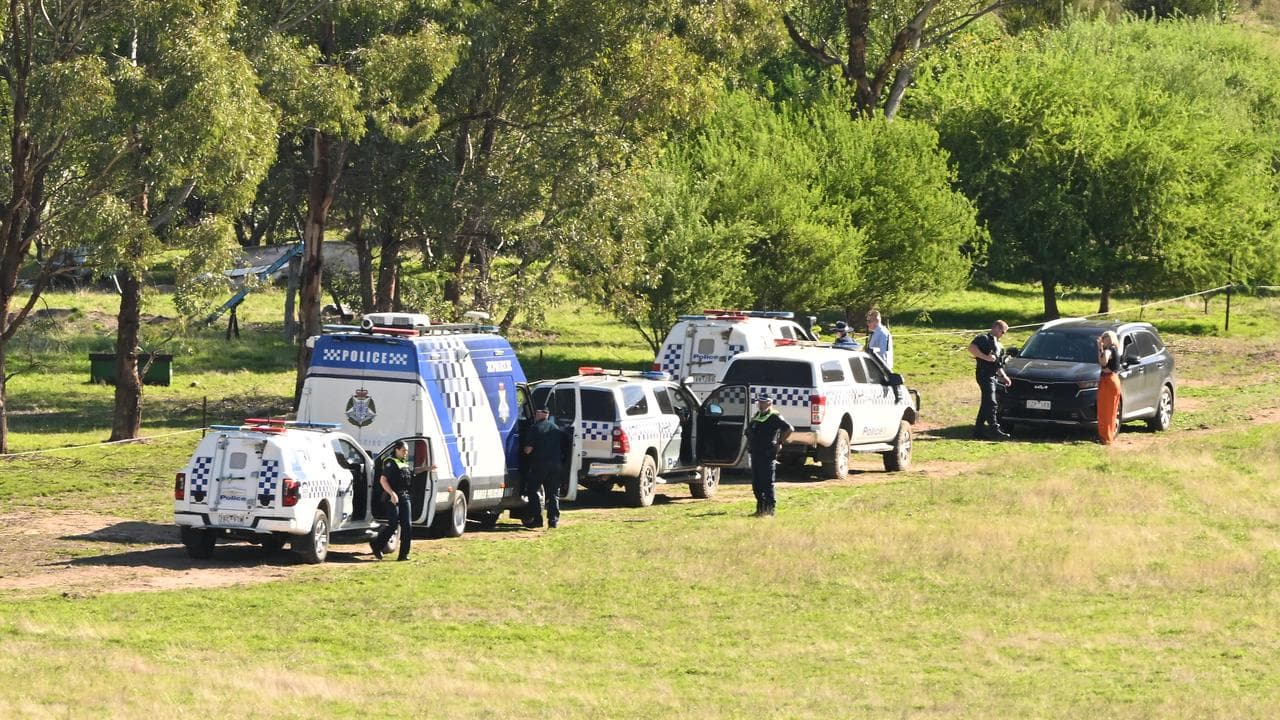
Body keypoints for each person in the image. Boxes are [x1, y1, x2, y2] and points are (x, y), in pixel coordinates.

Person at [522, 406, 570, 529]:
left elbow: (528, 450)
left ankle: (537, 519)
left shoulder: (535, 428)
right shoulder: (555, 428)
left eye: (536, 412)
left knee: (532, 490)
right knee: (553, 493)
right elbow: (564, 446)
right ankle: (553, 521)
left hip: (540, 465)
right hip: (556, 465)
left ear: (539, 414)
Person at [745, 394, 793, 517]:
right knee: (756, 484)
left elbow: (789, 428)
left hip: (767, 453)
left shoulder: (774, 416)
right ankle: (760, 509)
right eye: (759, 403)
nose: (761, 405)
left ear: (770, 403)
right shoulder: (758, 416)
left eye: (764, 403)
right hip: (756, 453)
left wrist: (779, 443)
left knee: (767, 483)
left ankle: (770, 511)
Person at [968, 320, 1012, 440]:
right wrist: (986, 357)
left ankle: (978, 430)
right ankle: (994, 428)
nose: (1002, 335)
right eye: (1002, 332)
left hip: (993, 375)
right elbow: (971, 348)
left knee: (986, 402)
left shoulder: (999, 346)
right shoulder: (984, 338)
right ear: (996, 328)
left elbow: (998, 365)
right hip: (983, 373)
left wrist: (1004, 376)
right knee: (991, 402)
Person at [372, 440, 412, 561]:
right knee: (393, 524)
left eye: (407, 451)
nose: (406, 453)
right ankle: (377, 545)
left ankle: (403, 555)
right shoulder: (390, 462)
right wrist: (392, 493)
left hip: (405, 496)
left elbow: (411, 474)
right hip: (392, 497)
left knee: (407, 526)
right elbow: (383, 480)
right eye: (403, 450)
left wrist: (427, 468)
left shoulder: (403, 462)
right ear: (397, 450)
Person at [1096, 330, 1122, 445]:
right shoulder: (1115, 349)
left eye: (1103, 338)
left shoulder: (1108, 350)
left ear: (1107, 339)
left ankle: (1105, 437)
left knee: (1105, 410)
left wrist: (1100, 348)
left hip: (1108, 379)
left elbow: (1103, 362)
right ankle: (1108, 436)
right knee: (1111, 409)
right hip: (1114, 379)